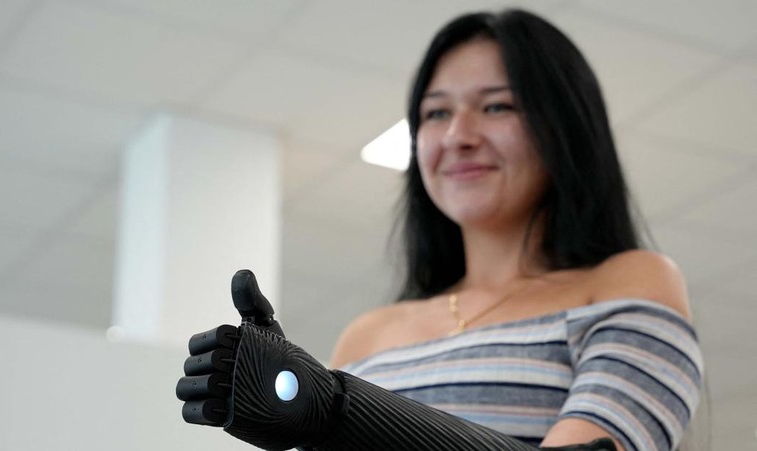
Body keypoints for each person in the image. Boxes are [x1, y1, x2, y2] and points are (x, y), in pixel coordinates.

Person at [176, 9, 702, 451]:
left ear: (564, 127)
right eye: (435, 113)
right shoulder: (369, 334)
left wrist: (341, 411)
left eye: (497, 106)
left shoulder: (628, 283)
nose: (457, 135)